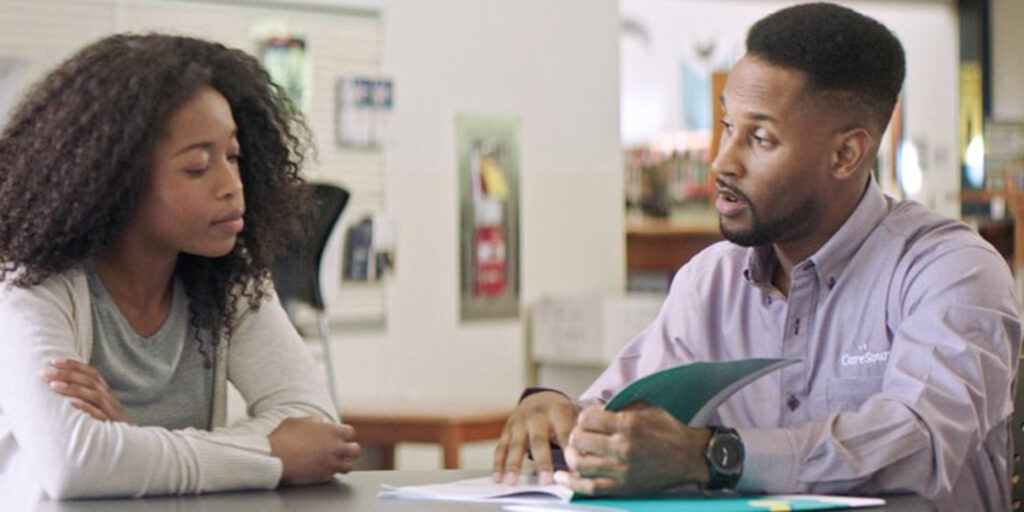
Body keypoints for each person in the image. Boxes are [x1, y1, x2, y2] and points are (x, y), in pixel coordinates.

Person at [492, 3, 1021, 512]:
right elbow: (619, 413)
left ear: (846, 154)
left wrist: (710, 455)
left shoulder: (949, 271)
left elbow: (921, 444)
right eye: (727, 126)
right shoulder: (710, 282)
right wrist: (559, 418)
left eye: (760, 138)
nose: (723, 162)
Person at [0, 34, 361, 505]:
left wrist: (132, 441)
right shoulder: (30, 284)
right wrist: (270, 451)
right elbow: (75, 464)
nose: (232, 186)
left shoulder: (230, 281)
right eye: (197, 167)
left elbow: (314, 427)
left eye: (233, 157)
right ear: (115, 180)